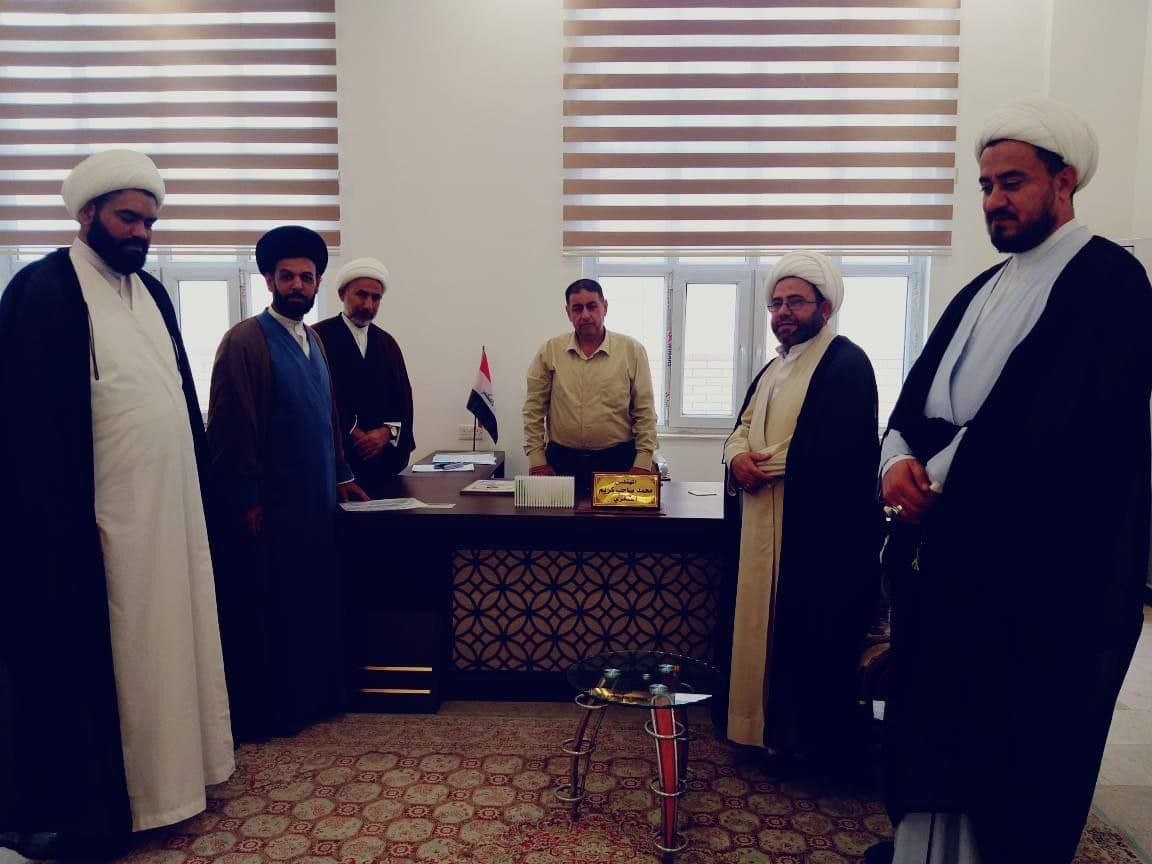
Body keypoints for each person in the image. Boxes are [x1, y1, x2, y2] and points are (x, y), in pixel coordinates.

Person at [872, 96, 1152, 864]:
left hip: (1041, 583)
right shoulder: (982, 288)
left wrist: (929, 478)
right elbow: (914, 402)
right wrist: (895, 461)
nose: (994, 200)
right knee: (935, 732)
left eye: (1012, 182)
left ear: (1064, 182)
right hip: (948, 565)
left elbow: (1057, 426)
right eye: (986, 185)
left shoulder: (1111, 283)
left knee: (1014, 752)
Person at [0, 150, 234, 859]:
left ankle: (179, 782)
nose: (141, 233)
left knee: (172, 644)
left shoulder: (153, 294)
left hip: (171, 518)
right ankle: (112, 804)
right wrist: (60, 526)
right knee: (111, 664)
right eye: (128, 218)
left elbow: (181, 401)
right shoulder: (43, 290)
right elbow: (28, 426)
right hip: (94, 530)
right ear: (87, 214)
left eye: (149, 222)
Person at [720, 252, 881, 776]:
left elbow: (830, 444)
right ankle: (753, 729)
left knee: (804, 636)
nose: (783, 312)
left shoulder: (845, 363)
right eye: (776, 303)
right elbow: (741, 428)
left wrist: (756, 464)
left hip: (813, 534)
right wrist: (736, 458)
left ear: (825, 307)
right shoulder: (773, 367)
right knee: (755, 626)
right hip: (760, 521)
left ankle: (799, 743)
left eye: (796, 302)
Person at [207, 225, 368, 741]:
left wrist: (342, 476)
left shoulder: (313, 339)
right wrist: (247, 498)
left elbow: (326, 418)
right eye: (287, 277)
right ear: (269, 280)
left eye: (306, 277)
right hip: (271, 509)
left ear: (318, 282)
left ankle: (317, 699)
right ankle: (278, 712)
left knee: (314, 602)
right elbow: (231, 428)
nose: (297, 285)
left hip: (315, 504)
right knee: (276, 609)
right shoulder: (246, 341)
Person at [522, 278, 658, 490]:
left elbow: (645, 411)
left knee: (616, 514)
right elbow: (533, 409)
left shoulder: (632, 351)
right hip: (562, 462)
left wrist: (643, 462)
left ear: (605, 307)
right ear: (568, 313)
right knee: (557, 514)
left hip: (618, 461)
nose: (585, 315)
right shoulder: (550, 351)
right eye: (577, 308)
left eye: (592, 306)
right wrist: (537, 460)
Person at [312, 257, 415, 498]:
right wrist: (353, 432)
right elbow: (316, 399)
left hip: (383, 465)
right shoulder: (318, 337)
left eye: (375, 298)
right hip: (337, 470)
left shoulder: (387, 344)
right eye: (361, 295)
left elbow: (403, 405)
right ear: (342, 294)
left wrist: (386, 434)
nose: (368, 304)